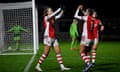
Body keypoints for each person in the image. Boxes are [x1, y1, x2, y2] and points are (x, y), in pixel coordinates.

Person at [35, 7, 71, 71]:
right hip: (47, 37)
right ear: (47, 12)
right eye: (50, 10)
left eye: (51, 10)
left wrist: (62, 11)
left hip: (53, 37)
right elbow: (52, 15)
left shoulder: (53, 18)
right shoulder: (46, 18)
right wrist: (58, 10)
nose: (51, 11)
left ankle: (62, 67)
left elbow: (59, 16)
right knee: (46, 53)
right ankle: (38, 65)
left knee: (58, 52)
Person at [74, 5, 94, 72]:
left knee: (81, 52)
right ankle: (87, 67)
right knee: (87, 52)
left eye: (86, 11)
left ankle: (88, 64)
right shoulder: (92, 18)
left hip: (85, 37)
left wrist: (78, 9)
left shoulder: (86, 17)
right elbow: (86, 15)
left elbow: (76, 16)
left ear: (88, 13)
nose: (85, 12)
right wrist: (82, 10)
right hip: (91, 38)